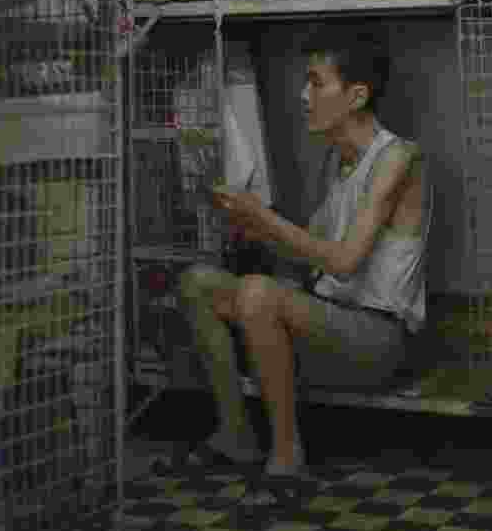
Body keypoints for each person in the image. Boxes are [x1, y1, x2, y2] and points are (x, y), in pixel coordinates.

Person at [178, 27, 431, 484]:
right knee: (198, 282)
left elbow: (343, 261)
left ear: (355, 96)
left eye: (315, 82)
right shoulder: (338, 162)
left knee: (257, 294)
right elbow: (304, 249)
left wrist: (266, 220)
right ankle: (235, 435)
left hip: (379, 342)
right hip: (333, 325)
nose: (303, 95)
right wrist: (247, 221)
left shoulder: (399, 159)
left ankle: (287, 455)